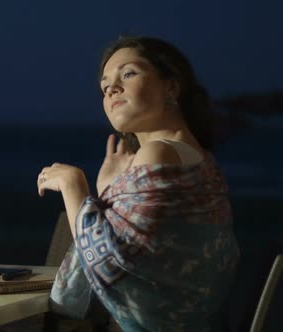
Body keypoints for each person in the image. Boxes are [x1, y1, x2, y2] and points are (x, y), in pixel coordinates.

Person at [37, 36, 239, 331]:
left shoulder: (160, 151)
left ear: (171, 85)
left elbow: (110, 268)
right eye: (105, 87)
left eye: (128, 74)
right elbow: (142, 252)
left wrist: (73, 186)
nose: (111, 90)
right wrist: (108, 191)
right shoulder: (202, 161)